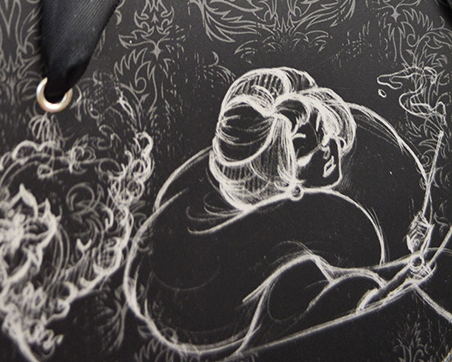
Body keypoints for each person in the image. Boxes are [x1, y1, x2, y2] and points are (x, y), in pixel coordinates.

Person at [124, 66, 447, 359]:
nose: (327, 147)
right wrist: (405, 272)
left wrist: (411, 257)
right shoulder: (291, 261)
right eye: (306, 149)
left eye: (321, 127)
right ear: (283, 181)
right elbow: (358, 309)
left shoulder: (365, 160)